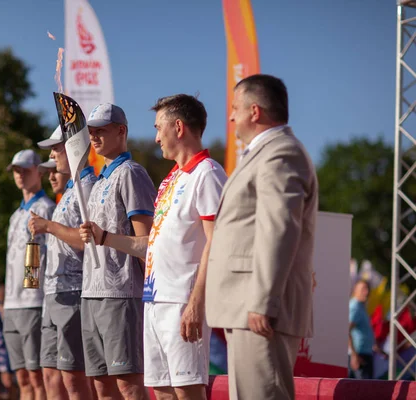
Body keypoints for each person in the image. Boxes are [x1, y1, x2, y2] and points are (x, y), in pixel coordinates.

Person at [80, 95, 227, 400]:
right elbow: (149, 245)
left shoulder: (208, 174)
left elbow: (218, 241)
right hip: (154, 301)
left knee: (187, 391)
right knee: (161, 392)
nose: (156, 137)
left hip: (181, 303)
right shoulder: (170, 180)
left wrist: (196, 302)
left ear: (178, 127)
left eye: (160, 128)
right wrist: (105, 237)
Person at [205, 74, 318, 400]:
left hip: (260, 309)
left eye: (235, 108)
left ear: (254, 112)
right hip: (248, 307)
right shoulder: (269, 153)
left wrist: (263, 301)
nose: (230, 117)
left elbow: (279, 228)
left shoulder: (281, 153)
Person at [77, 104, 156, 400]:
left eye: (101, 130)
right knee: (101, 387)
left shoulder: (132, 173)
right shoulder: (101, 179)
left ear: (121, 131)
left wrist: (105, 237)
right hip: (91, 292)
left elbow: (148, 241)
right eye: (91, 132)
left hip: (121, 293)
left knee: (128, 384)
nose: (94, 137)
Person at [28, 126, 97, 399]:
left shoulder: (88, 188)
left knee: (75, 379)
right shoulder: (70, 190)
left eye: (57, 147)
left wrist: (49, 226)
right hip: (53, 294)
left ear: (75, 147)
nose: (53, 154)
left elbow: (86, 241)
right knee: (51, 375)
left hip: (74, 292)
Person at [3, 149, 55, 400]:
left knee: (38, 377)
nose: (20, 175)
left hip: (34, 301)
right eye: (16, 170)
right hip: (11, 304)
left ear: (39, 172)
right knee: (22, 377)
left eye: (25, 169)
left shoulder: (46, 209)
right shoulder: (15, 215)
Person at [349, 280, 378, 379]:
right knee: (363, 391)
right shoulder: (355, 307)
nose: (366, 292)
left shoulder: (361, 306)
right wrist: (354, 355)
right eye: (363, 289)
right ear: (355, 290)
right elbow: (347, 330)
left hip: (364, 353)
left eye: (367, 289)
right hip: (359, 355)